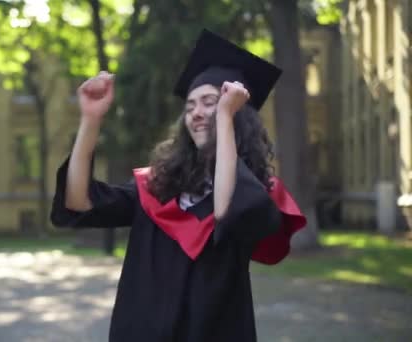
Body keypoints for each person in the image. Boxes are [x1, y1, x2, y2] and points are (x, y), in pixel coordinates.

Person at [50, 29, 307, 342]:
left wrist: (224, 116)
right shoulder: (157, 187)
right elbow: (79, 200)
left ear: (237, 113)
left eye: (210, 102)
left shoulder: (260, 193)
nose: (196, 113)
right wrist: (90, 120)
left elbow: (227, 209)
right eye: (190, 106)